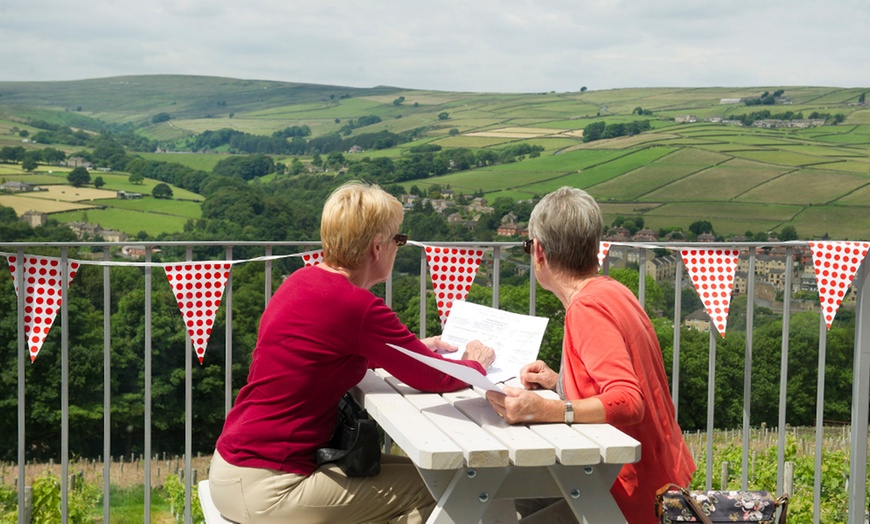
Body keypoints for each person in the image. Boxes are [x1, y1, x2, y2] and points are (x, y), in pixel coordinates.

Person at [210, 181, 496, 524]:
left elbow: (326, 351)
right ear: (377, 247)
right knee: (448, 491)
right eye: (398, 241)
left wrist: (416, 349)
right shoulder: (356, 305)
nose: (398, 248)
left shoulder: (300, 281)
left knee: (444, 480)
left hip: (235, 467)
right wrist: (476, 364)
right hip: (272, 485)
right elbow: (434, 376)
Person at [485, 186, 695, 524]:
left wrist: (549, 409)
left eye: (528, 246)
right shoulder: (613, 291)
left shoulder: (586, 309)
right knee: (512, 495)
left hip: (627, 497)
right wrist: (562, 382)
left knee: (492, 499)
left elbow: (629, 400)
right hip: (659, 483)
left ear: (539, 252)